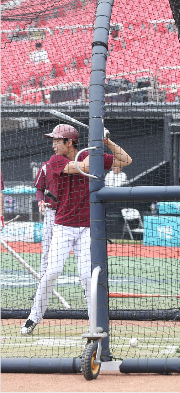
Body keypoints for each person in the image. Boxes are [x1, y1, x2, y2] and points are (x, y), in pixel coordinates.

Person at [21, 124, 132, 335]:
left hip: (86, 228)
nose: (53, 145)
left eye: (57, 140)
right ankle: (34, 317)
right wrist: (95, 145)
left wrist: (106, 141)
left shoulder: (91, 155)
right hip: (63, 226)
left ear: (69, 142)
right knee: (51, 272)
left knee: (87, 276)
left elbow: (126, 160)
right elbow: (84, 167)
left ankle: (95, 322)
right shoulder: (57, 161)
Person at [34, 160, 58, 280]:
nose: (54, 145)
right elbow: (40, 189)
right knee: (46, 252)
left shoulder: (76, 165)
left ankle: (88, 292)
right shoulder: (46, 166)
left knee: (82, 254)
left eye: (58, 142)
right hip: (51, 213)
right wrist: (40, 201)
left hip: (72, 213)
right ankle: (41, 288)